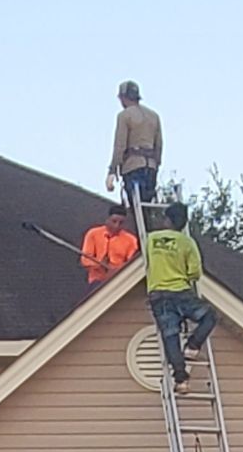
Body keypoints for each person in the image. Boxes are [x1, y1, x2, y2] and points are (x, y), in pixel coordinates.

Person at [144, 201, 216, 385]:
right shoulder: (187, 242)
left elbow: (146, 261)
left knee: (170, 334)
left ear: (166, 219)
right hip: (181, 293)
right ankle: (193, 346)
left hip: (158, 295)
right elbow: (195, 273)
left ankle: (181, 379)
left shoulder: (151, 239)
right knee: (209, 316)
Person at [107, 80, 163, 211]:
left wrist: (112, 171)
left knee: (134, 208)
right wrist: (156, 165)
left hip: (133, 167)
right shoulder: (154, 116)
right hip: (151, 168)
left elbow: (120, 145)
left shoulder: (124, 116)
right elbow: (159, 145)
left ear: (123, 97)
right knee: (146, 208)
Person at [79, 201, 139, 284]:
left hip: (120, 281)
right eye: (114, 221)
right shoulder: (93, 233)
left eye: (121, 223)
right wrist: (99, 264)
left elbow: (133, 263)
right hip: (96, 281)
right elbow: (85, 259)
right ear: (107, 219)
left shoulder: (131, 240)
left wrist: (117, 269)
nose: (117, 226)